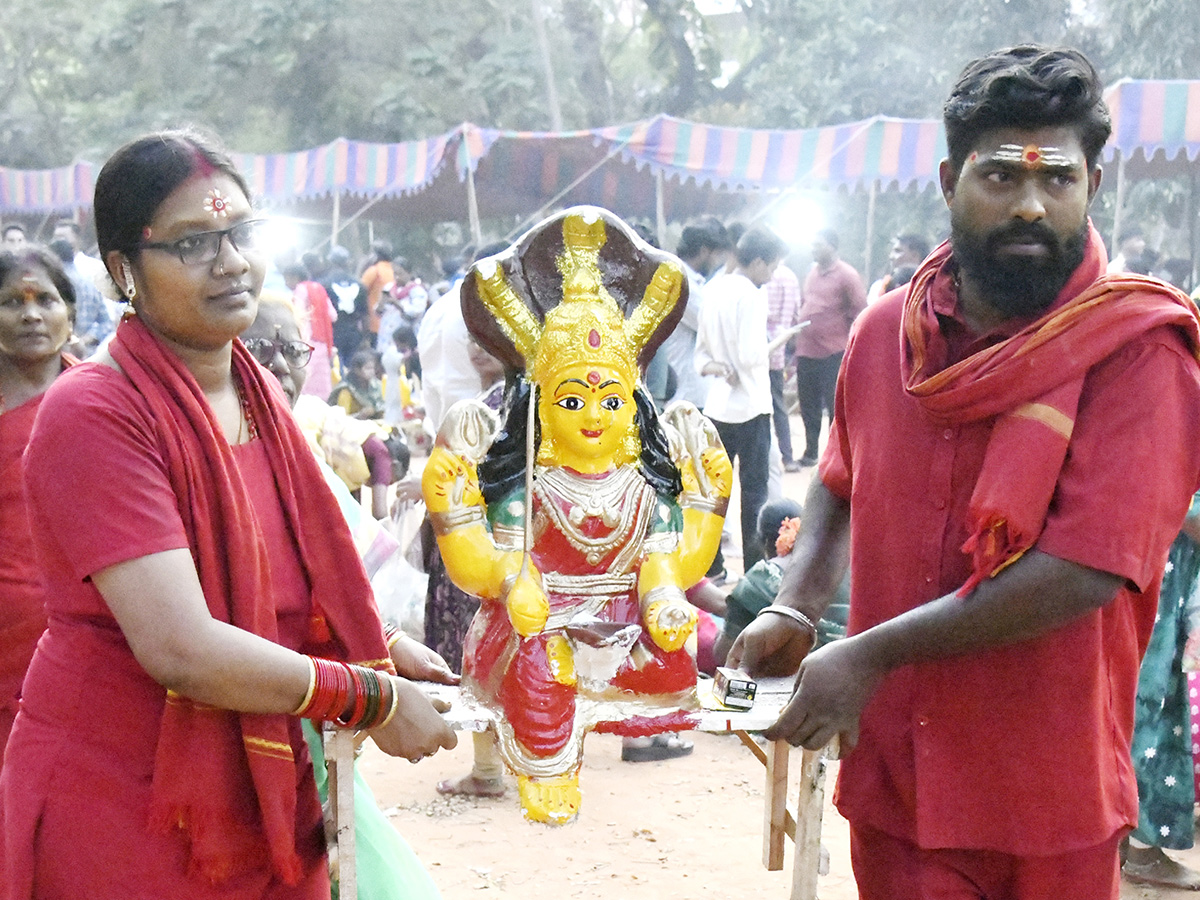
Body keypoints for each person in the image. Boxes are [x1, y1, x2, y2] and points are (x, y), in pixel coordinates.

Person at [728, 45, 1200, 899]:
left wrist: (867, 655)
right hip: (896, 781)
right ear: (949, 181)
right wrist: (797, 601)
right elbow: (840, 480)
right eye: (999, 177)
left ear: (1093, 182)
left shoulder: (1139, 352)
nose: (1030, 205)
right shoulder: (881, 336)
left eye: (1057, 180)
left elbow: (1087, 569)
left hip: (1046, 796)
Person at [0, 130, 456, 900]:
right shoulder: (95, 410)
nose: (232, 260)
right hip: (126, 793)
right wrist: (367, 694)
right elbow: (180, 644)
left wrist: (377, 643)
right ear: (122, 270)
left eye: (243, 232)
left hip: (259, 774)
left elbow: (282, 572)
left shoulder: (253, 388)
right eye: (193, 242)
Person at [425, 209, 731, 824]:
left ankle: (623, 703)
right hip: (537, 618)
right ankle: (547, 763)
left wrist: (704, 514)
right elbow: (486, 567)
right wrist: (460, 519)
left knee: (673, 652)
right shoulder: (529, 483)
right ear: (540, 406)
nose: (594, 414)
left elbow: (666, 560)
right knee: (543, 663)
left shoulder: (643, 481)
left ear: (633, 405)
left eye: (611, 398)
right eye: (572, 398)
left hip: (621, 620)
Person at [241, 293, 453, 900]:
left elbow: (332, 579)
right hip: (242, 694)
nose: (280, 367)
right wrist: (374, 695)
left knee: (337, 842)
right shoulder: (204, 448)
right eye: (261, 348)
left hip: (309, 695)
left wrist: (386, 642)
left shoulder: (295, 446)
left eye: (293, 351)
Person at [0, 246, 78, 759]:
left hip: (81, 628)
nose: (31, 314)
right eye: (12, 302)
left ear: (69, 315)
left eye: (45, 300)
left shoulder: (105, 399)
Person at [694, 226, 786, 572]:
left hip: (717, 405)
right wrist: (776, 344)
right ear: (759, 261)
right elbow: (750, 357)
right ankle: (753, 568)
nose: (773, 274)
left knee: (714, 491)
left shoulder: (714, 289)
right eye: (773, 267)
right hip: (751, 407)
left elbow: (701, 358)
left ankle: (711, 564)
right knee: (754, 493)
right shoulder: (750, 294)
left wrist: (721, 365)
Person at [1121, 492, 1200, 890]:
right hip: (1159, 579)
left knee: (1137, 708)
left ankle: (1126, 844)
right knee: (1149, 710)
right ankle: (1141, 851)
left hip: (1153, 570)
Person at [793, 228, 866, 467]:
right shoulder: (811, 273)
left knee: (835, 408)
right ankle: (811, 451)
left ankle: (837, 456)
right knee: (808, 405)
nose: (813, 248)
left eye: (818, 244)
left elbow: (860, 311)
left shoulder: (847, 275)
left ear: (832, 246)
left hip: (833, 353)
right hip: (806, 351)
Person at [765, 262, 803, 472]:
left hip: (763, 349)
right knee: (779, 406)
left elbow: (766, 313)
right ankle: (788, 457)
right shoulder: (790, 276)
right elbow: (796, 313)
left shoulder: (767, 276)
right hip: (779, 349)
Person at [47, 237, 113, 355]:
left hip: (57, 355)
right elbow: (107, 324)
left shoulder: (52, 285)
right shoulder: (90, 283)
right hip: (86, 355)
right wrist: (86, 339)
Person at [283, 262, 336, 400]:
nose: (285, 282)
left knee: (306, 378)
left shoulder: (300, 289)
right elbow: (333, 315)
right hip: (323, 343)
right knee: (322, 380)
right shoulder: (320, 288)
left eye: (286, 278)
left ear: (294, 277)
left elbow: (297, 313)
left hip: (306, 340)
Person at [323, 245, 369, 366]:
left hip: (333, 332)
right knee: (352, 366)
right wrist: (365, 337)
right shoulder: (359, 284)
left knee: (335, 368)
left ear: (331, 262)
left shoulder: (324, 284)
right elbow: (365, 315)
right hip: (353, 332)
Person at [867, 232, 930, 303]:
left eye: (897, 251)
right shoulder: (878, 287)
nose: (891, 257)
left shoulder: (930, 289)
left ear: (915, 255)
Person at [329, 348, 385, 419]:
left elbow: (383, 406)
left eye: (372, 368)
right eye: (368, 368)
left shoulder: (376, 385)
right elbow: (341, 419)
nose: (372, 372)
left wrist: (377, 410)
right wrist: (360, 415)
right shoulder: (346, 390)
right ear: (357, 370)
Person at [360, 240, 395, 342]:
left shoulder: (374, 271)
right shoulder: (395, 270)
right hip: (392, 322)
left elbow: (360, 291)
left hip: (375, 324)